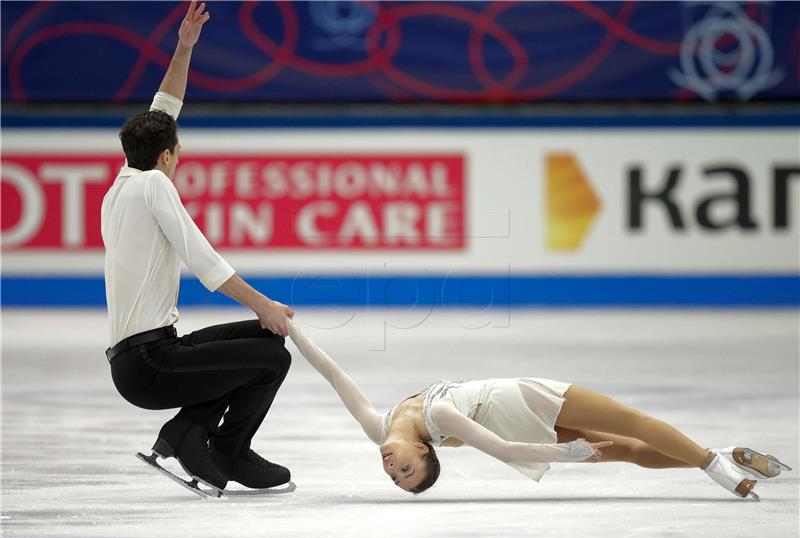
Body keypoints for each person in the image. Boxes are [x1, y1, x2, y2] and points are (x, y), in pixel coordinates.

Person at [102, 1, 293, 491]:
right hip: (149, 367)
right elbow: (204, 260)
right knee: (273, 356)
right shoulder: (155, 187)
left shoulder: (124, 182)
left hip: (145, 355)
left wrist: (184, 48)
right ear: (167, 156)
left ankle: (185, 433)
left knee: (259, 341)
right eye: (177, 149)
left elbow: (162, 109)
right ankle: (229, 453)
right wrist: (264, 303)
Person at [287, 320, 790, 497]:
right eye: (407, 474)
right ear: (424, 449)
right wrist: (569, 453)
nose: (394, 470)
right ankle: (716, 457)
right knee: (633, 443)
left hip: (526, 405)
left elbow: (335, 374)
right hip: (523, 412)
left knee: (633, 432)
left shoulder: (379, 427)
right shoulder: (438, 420)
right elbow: (505, 450)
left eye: (397, 475)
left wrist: (290, 331)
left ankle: (712, 460)